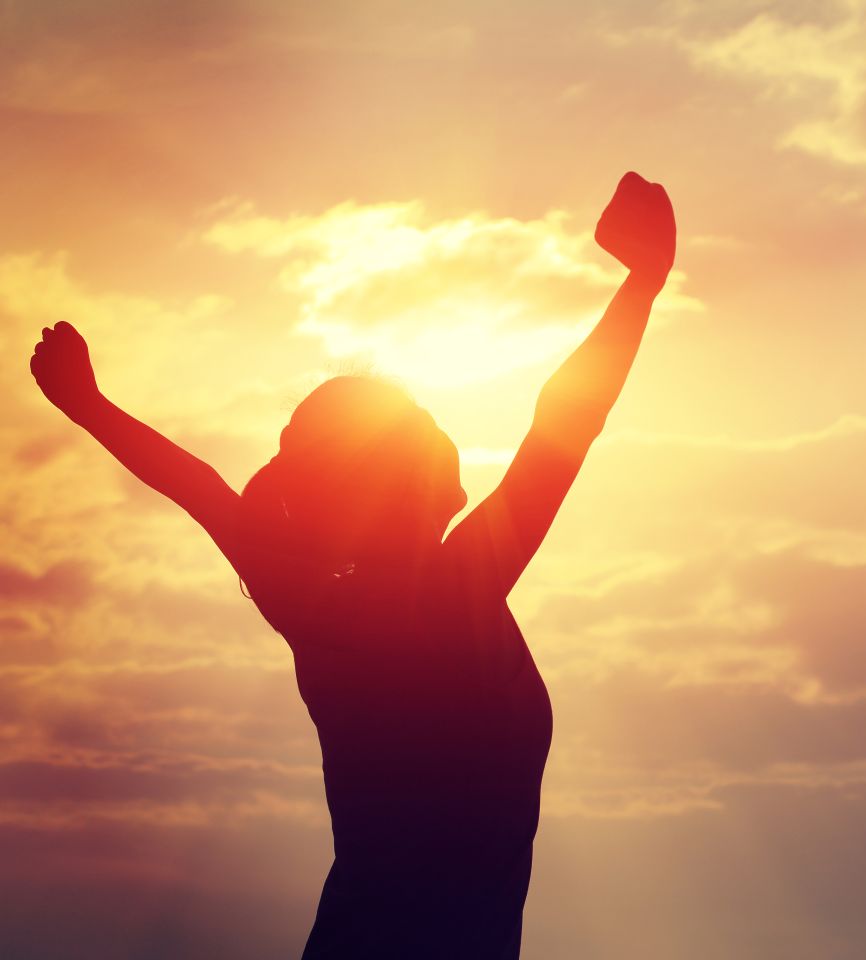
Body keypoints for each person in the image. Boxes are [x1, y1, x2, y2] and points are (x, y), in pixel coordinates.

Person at [29, 172, 676, 958]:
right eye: (420, 423)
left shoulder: (306, 600)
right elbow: (563, 427)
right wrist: (642, 283)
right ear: (410, 473)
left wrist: (88, 404)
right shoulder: (451, 593)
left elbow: (198, 487)